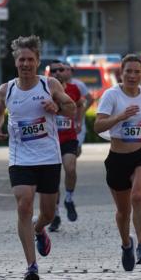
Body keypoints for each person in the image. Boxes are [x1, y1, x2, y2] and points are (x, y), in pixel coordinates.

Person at [0, 35, 76, 280]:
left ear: (37, 61)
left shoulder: (49, 85)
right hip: (20, 158)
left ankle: (40, 229)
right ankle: (31, 266)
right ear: (15, 62)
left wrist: (57, 108)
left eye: (30, 59)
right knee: (24, 205)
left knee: (47, 213)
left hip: (49, 157)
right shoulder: (7, 89)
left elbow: (71, 107)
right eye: (21, 60)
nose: (26, 64)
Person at [95, 54, 141, 266]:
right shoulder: (111, 95)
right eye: (129, 71)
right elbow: (97, 126)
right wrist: (119, 117)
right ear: (121, 73)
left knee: (137, 195)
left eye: (137, 72)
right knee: (123, 212)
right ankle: (127, 244)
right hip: (117, 159)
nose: (132, 76)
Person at [46, 61, 84, 232]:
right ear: (49, 73)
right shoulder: (43, 89)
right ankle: (55, 214)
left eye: (61, 69)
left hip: (69, 138)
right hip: (49, 140)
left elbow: (81, 104)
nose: (57, 73)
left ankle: (69, 198)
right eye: (54, 70)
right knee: (52, 179)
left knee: (70, 168)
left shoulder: (74, 89)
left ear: (66, 71)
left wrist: (79, 120)